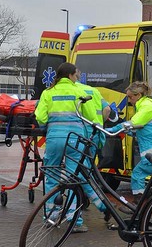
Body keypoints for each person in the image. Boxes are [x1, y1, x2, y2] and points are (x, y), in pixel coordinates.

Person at [34, 62, 106, 233]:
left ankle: (51, 216)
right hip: (75, 139)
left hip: (54, 138)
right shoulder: (79, 91)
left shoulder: (48, 92)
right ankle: (74, 220)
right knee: (74, 178)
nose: (77, 78)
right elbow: (90, 116)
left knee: (51, 174)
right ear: (71, 75)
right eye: (76, 75)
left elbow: (40, 117)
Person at [107, 81, 152, 212]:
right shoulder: (147, 105)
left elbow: (135, 122)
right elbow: (144, 128)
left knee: (138, 174)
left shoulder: (146, 106)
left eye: (130, 97)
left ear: (138, 95)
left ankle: (137, 205)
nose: (129, 100)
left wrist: (114, 129)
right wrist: (130, 132)